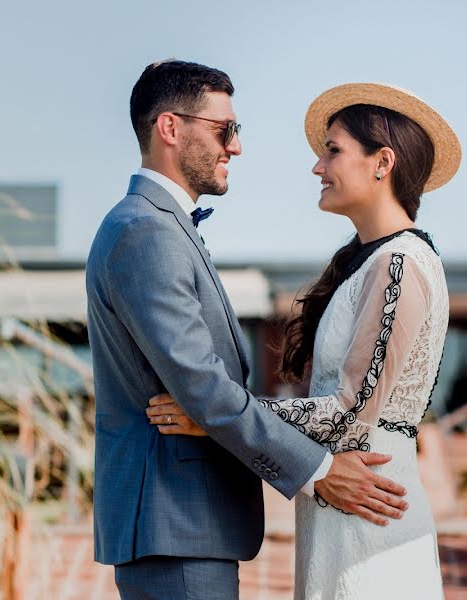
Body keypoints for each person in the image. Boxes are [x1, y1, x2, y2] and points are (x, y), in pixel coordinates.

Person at [87, 62, 410, 600]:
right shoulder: (146, 232)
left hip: (186, 528)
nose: (234, 147)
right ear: (170, 128)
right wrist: (319, 470)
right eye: (224, 129)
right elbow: (206, 393)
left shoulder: (156, 226)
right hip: (177, 526)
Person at [148, 82, 461, 599]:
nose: (317, 167)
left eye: (332, 151)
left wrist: (216, 418)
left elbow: (347, 411)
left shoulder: (401, 263)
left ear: (382, 162)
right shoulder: (367, 262)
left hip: (371, 504)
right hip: (342, 501)